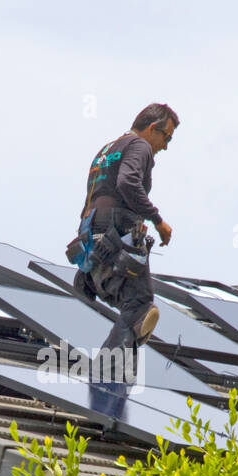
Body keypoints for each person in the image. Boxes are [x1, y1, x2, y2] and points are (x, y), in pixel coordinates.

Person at [66, 103, 178, 368]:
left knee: (128, 301)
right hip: (117, 227)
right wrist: (157, 219)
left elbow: (94, 197)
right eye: (167, 137)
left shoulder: (107, 149)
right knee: (140, 306)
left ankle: (93, 280)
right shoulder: (139, 146)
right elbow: (127, 182)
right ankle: (105, 375)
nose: (166, 146)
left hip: (92, 230)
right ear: (153, 128)